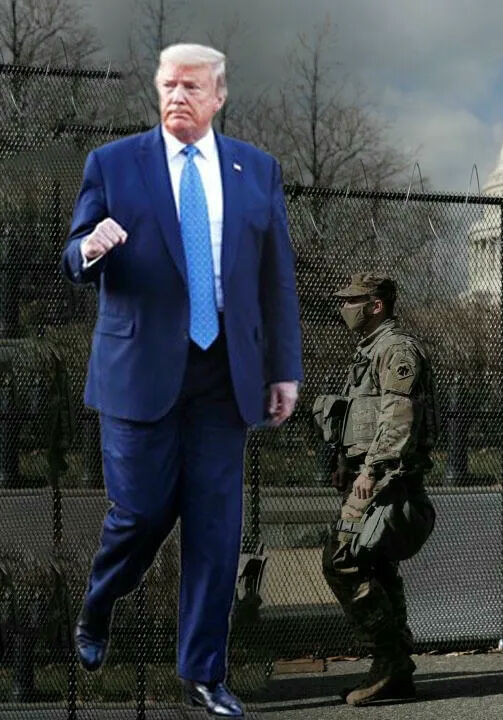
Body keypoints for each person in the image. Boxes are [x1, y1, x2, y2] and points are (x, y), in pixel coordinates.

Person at [59, 43, 301, 717]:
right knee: (139, 513)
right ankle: (99, 604)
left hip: (225, 372)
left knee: (216, 531)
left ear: (219, 95)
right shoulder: (113, 163)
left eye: (192, 86)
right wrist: (90, 248)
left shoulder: (257, 170)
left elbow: (274, 280)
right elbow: (73, 256)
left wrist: (284, 370)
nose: (177, 96)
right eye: (168, 85)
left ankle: (202, 675)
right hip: (139, 369)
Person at [315, 273, 438, 706]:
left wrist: (369, 474)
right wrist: (345, 466)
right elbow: (362, 416)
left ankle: (389, 661)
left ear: (377, 305)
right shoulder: (369, 351)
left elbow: (399, 418)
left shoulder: (396, 350)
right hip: (370, 477)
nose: (343, 307)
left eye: (352, 300)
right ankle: (395, 671)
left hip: (386, 483)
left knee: (341, 561)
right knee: (376, 566)